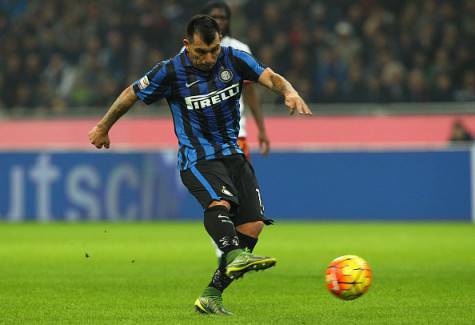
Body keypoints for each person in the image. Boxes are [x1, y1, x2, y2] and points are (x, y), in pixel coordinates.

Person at [89, 15, 312, 315]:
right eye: (200, 52)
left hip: (233, 154)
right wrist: (104, 126)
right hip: (197, 157)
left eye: (213, 50)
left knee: (253, 225)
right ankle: (234, 253)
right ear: (186, 45)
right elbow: (132, 93)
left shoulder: (234, 58)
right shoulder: (170, 71)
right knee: (219, 203)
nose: (208, 58)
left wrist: (290, 91)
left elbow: (270, 77)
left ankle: (211, 296)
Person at [201, 1, 270, 159]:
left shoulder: (239, 50)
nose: (218, 21)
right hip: (202, 137)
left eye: (222, 17)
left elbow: (250, 92)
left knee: (244, 183)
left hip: (235, 134)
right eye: (214, 17)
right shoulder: (189, 51)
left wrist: (262, 129)